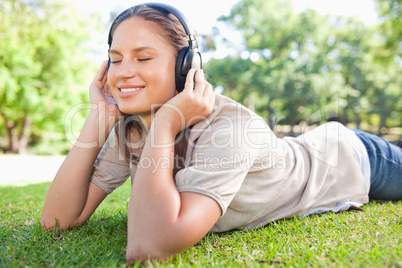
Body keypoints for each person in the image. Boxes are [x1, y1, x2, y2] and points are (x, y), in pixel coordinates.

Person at [40, 3, 402, 263]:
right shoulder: (131, 129)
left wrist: (165, 125)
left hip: (352, 159)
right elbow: (57, 220)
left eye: (143, 57)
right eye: (116, 59)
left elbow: (147, 248)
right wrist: (97, 119)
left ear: (186, 68)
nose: (123, 72)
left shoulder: (231, 129)